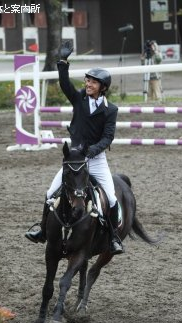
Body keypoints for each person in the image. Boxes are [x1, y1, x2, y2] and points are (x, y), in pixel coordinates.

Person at [25, 41, 124, 255]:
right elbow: (65, 85)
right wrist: (62, 62)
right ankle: (42, 231)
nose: (88, 84)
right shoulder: (79, 99)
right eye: (88, 80)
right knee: (51, 193)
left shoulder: (110, 110)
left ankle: (113, 238)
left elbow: (108, 137)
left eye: (93, 82)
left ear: (103, 87)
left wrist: (93, 150)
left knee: (112, 197)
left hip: (95, 160)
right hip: (75, 159)